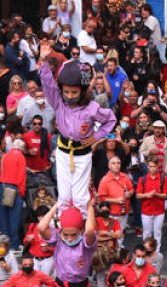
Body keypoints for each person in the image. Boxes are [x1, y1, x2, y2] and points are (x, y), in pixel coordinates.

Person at [38, 44, 117, 209]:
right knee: (64, 196)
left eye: (74, 92)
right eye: (66, 92)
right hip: (63, 152)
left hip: (82, 154)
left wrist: (95, 137)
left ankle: (81, 227)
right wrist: (44, 60)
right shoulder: (58, 102)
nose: (69, 96)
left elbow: (110, 120)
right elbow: (48, 85)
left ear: (82, 90)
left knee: (80, 197)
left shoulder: (92, 108)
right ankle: (65, 230)